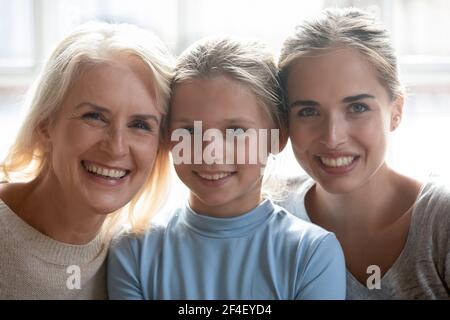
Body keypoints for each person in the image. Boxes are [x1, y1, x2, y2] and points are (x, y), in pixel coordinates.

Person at [107, 36, 346, 300]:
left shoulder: (311, 254)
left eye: (235, 131)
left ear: (277, 136)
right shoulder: (133, 252)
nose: (210, 153)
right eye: (189, 131)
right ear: (166, 138)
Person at [277, 8, 450, 299]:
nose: (333, 137)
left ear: (396, 111)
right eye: (308, 111)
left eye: (358, 108)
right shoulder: (269, 217)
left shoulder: (441, 223)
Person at [0, 21, 173, 299]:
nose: (116, 147)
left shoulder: (138, 256)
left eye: (140, 124)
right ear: (45, 125)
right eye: (94, 116)